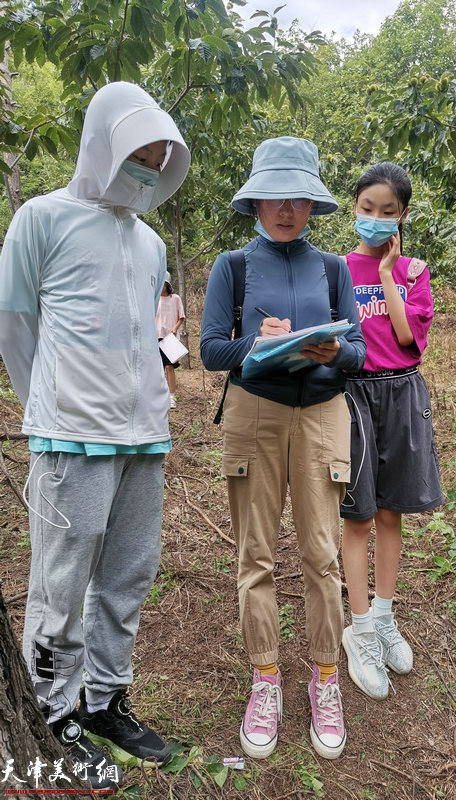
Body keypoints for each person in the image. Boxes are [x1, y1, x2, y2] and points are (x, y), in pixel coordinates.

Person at [0, 82, 190, 789]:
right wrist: (48, 411)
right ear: (102, 144)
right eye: (135, 151)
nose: (144, 165)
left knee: (129, 573)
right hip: (69, 438)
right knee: (60, 581)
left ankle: (107, 699)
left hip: (144, 435)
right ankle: (52, 715)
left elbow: (149, 332)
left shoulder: (148, 241)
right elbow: (15, 326)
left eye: (156, 156)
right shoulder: (42, 219)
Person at [200, 136, 366, 760]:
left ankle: (326, 675)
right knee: (257, 555)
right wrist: (256, 343)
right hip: (255, 411)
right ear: (257, 201)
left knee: (322, 554)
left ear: (312, 203)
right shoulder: (232, 266)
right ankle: (265, 675)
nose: (287, 209)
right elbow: (212, 347)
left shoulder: (333, 270)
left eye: (299, 197)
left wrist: (330, 349)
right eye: (276, 197)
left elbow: (359, 353)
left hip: (322, 413)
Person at [340, 162, 444, 700]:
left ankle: (383, 617)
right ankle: (358, 631)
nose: (376, 220)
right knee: (357, 514)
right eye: (367, 209)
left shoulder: (413, 272)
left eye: (388, 212)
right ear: (353, 207)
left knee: (390, 513)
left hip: (401, 393)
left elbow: (406, 338)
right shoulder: (334, 270)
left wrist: (387, 275)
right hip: (352, 397)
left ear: (402, 216)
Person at [156, 271, 186, 408]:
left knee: (169, 367)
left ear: (168, 285)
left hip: (170, 338)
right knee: (157, 368)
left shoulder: (175, 299)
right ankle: (157, 396)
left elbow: (181, 316)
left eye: (164, 283)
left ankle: (171, 396)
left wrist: (175, 328)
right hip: (155, 336)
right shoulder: (154, 299)